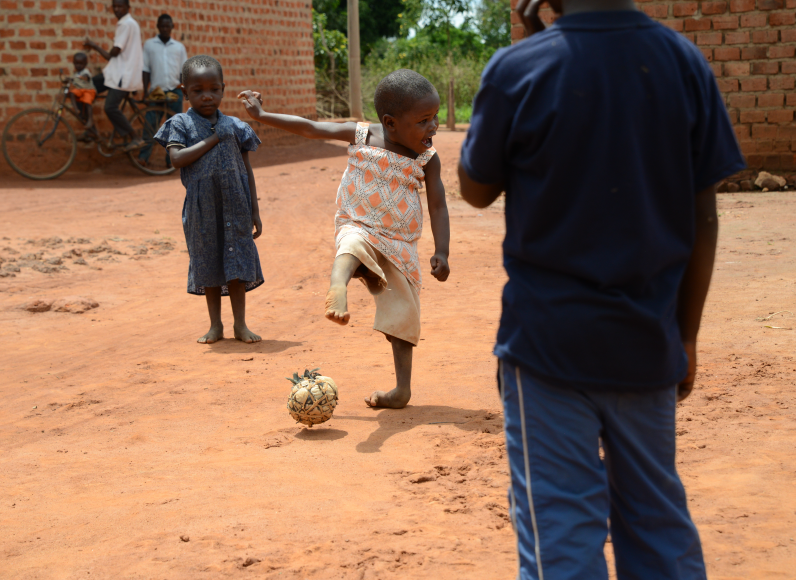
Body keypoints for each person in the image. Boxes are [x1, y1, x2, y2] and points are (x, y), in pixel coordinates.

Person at [458, 0, 746, 578]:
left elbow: (475, 187)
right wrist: (685, 336)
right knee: (657, 523)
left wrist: (533, 45)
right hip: (647, 341)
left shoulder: (520, 70)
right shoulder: (682, 62)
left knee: (562, 535)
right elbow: (703, 216)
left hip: (547, 349)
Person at [237, 69, 451, 408]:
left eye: (434, 118)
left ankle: (402, 390)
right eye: (424, 120)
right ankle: (338, 288)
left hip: (400, 245)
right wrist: (263, 116)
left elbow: (438, 204)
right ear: (390, 122)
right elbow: (310, 128)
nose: (433, 126)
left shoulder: (427, 157)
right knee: (351, 244)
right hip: (359, 222)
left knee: (403, 315)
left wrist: (442, 250)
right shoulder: (363, 135)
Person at [153, 55, 264, 344]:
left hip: (236, 203)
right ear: (184, 91)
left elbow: (247, 170)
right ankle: (216, 325)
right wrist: (215, 139)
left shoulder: (236, 126)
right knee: (209, 263)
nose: (207, 96)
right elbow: (176, 159)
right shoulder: (180, 124)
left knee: (237, 264)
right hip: (202, 208)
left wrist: (255, 209)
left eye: (214, 89)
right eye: (198, 90)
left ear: (223, 89)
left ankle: (241, 324)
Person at [83, 0, 144, 152]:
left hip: (123, 75)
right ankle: (90, 129)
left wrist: (94, 46)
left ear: (127, 8)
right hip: (116, 72)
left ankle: (135, 137)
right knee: (85, 87)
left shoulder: (125, 24)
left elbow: (113, 53)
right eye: (114, 6)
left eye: (120, 6)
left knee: (110, 107)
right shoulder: (130, 23)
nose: (116, 9)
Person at [139, 13, 187, 167]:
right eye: (162, 26)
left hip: (174, 91)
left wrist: (184, 89)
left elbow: (183, 72)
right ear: (158, 27)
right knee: (150, 125)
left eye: (168, 26)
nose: (165, 28)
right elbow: (145, 69)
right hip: (156, 92)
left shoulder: (179, 47)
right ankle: (143, 158)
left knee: (175, 128)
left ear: (172, 27)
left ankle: (172, 161)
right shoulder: (149, 45)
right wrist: (145, 91)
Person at [69, 52, 97, 132]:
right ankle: (76, 109)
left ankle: (90, 120)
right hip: (81, 90)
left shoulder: (85, 71)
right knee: (72, 93)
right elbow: (74, 80)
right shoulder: (75, 73)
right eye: (76, 63)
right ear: (73, 63)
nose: (78, 65)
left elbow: (87, 77)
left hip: (89, 90)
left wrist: (85, 77)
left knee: (87, 101)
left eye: (81, 64)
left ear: (85, 64)